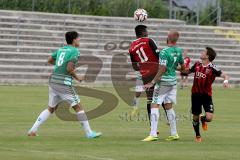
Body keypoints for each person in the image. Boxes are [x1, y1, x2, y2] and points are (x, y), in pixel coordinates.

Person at [27, 31, 102, 138]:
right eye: (78, 38)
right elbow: (69, 68)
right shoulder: (75, 51)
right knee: (78, 107)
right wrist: (78, 78)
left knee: (51, 108)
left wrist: (59, 64)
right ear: (74, 40)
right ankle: (89, 133)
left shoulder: (61, 49)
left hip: (53, 82)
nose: (79, 40)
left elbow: (49, 60)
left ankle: (32, 130)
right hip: (63, 84)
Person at [143, 30, 185, 141]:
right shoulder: (179, 51)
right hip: (173, 82)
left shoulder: (164, 52)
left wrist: (152, 82)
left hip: (163, 83)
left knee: (154, 105)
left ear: (168, 38)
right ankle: (174, 133)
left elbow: (163, 68)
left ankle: (153, 134)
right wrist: (174, 67)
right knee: (168, 106)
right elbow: (183, 67)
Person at [181, 47, 229, 143]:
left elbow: (225, 75)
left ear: (207, 56)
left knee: (209, 118)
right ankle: (198, 135)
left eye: (203, 52)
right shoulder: (197, 64)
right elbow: (187, 71)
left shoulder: (213, 68)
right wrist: (174, 67)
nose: (201, 53)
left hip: (206, 96)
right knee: (195, 116)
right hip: (195, 94)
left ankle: (202, 119)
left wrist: (226, 81)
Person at [128, 25, 159, 123]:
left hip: (144, 75)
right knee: (162, 99)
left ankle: (152, 128)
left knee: (150, 100)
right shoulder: (149, 40)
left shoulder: (132, 47)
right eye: (146, 31)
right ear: (143, 33)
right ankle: (171, 127)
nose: (147, 33)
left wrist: (142, 68)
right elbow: (159, 56)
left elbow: (134, 66)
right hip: (156, 72)